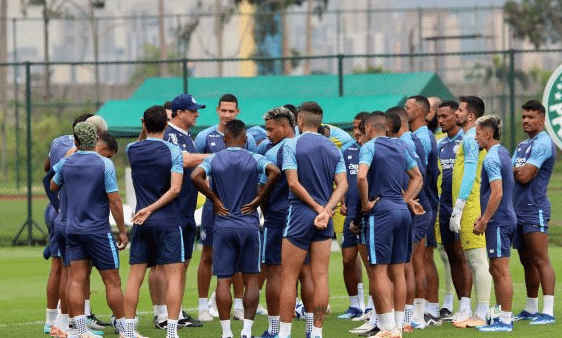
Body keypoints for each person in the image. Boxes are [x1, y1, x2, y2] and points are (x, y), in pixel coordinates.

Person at [191, 119, 280, 338]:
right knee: (251, 278)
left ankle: (226, 333)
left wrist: (213, 198)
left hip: (223, 225)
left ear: (224, 139)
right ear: (246, 139)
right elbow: (275, 171)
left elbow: (195, 175)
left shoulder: (214, 159)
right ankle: (247, 331)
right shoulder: (255, 157)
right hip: (249, 224)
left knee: (223, 279)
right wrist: (260, 198)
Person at [51, 121, 128, 338]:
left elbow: (53, 185)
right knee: (112, 280)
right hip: (97, 231)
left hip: (72, 229)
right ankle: (126, 331)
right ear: (95, 140)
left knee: (75, 279)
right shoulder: (104, 164)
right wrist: (122, 230)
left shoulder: (66, 163)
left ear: (75, 141)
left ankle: (82, 331)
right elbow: (114, 201)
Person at [278, 102, 348, 338]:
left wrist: (318, 207)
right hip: (324, 217)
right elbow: (343, 185)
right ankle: (316, 332)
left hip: (300, 212)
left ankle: (285, 333)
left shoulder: (291, 144)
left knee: (288, 277)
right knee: (321, 276)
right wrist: (327, 211)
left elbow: (293, 183)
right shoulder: (333, 148)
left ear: (299, 120)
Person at [357, 112, 424, 338]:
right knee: (399, 270)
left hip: (381, 212)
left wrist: (365, 203)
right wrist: (404, 201)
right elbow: (418, 177)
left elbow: (361, 177)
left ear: (367, 127)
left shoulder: (369, 147)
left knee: (378, 271)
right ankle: (397, 326)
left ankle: (387, 328)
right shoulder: (402, 147)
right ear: (386, 127)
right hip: (401, 211)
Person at [194, 93, 258, 321]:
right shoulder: (204, 137)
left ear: (237, 112)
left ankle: (239, 305)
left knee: (241, 258)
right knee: (207, 254)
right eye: (224, 111)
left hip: (240, 208)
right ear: (218, 111)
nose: (227, 115)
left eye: (232, 111)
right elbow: (195, 167)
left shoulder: (246, 138)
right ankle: (202, 306)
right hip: (215, 207)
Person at [123, 105, 185, 338]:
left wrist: (145, 209)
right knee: (173, 277)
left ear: (144, 125)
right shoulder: (174, 151)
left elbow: (140, 142)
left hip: (141, 222)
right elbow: (175, 189)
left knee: (134, 277)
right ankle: (171, 332)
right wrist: (152, 208)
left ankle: (128, 330)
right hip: (167, 220)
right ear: (167, 125)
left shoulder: (132, 149)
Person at [149, 93, 208, 330]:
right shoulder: (170, 134)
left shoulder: (186, 135)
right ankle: (162, 314)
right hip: (171, 211)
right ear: (180, 112)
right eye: (193, 110)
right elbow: (182, 161)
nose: (197, 113)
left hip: (185, 210)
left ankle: (175, 311)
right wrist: (214, 157)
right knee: (164, 264)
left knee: (181, 263)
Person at [512, 100, 556, 325]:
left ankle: (548, 311)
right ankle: (530, 308)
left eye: (531, 117)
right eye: (524, 117)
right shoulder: (522, 146)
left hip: (534, 209)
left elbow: (524, 176)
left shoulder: (544, 143)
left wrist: (517, 170)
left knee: (541, 260)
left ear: (542, 119)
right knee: (526, 262)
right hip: (517, 210)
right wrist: (517, 170)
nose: (526, 121)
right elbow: (510, 172)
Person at [450, 96, 493, 328]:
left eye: (460, 109)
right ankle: (480, 311)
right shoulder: (468, 138)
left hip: (471, 205)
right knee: (474, 260)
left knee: (477, 261)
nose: (456, 112)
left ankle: (482, 312)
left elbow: (469, 174)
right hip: (472, 203)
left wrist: (459, 206)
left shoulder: (469, 138)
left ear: (471, 116)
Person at [473, 115, 516, 332]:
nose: (475, 138)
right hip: (502, 217)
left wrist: (484, 221)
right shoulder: (503, 152)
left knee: (500, 270)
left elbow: (497, 192)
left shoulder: (491, 158)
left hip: (499, 220)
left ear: (488, 134)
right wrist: (482, 217)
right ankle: (501, 316)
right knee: (496, 268)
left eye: (477, 133)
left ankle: (506, 320)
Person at [257, 107, 296, 338]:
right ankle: (313, 330)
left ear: (285, 126)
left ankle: (275, 329)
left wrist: (266, 211)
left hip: (278, 216)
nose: (267, 134)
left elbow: (262, 190)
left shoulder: (272, 154)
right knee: (309, 273)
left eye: (271, 129)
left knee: (274, 272)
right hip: (305, 216)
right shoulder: (312, 147)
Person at [404, 96, 440, 328]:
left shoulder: (422, 138)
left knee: (420, 258)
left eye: (407, 107)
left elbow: (424, 175)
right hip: (423, 201)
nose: (404, 110)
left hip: (422, 202)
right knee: (422, 257)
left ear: (418, 111)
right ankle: (427, 309)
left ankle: (423, 311)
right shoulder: (419, 136)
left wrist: (412, 198)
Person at [435, 101, 471, 321]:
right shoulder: (440, 144)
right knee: (451, 255)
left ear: (456, 117)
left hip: (462, 206)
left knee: (463, 255)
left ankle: (468, 305)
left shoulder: (466, 141)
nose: (440, 120)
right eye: (438, 117)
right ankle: (460, 305)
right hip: (444, 205)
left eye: (445, 116)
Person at [338, 112, 370, 320]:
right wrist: (342, 201)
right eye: (354, 126)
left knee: (370, 262)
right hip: (350, 213)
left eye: (360, 126)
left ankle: (371, 306)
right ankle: (355, 305)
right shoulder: (346, 150)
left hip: (369, 212)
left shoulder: (372, 148)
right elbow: (341, 178)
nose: (356, 130)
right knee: (348, 259)